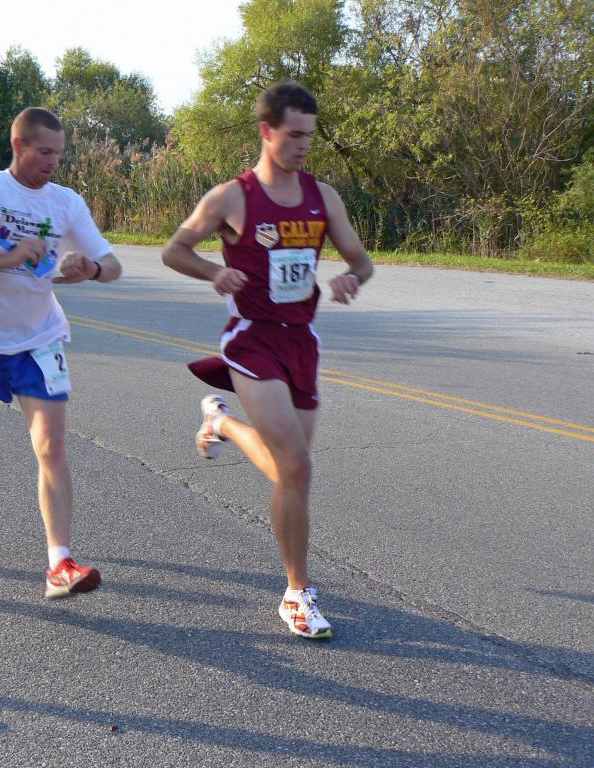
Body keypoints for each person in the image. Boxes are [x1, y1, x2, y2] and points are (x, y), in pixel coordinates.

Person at [161, 81, 373, 639]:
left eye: (310, 135)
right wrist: (214, 271)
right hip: (251, 339)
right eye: (294, 134)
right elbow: (174, 250)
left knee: (289, 473)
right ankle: (297, 594)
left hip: (301, 341)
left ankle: (221, 423)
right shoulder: (232, 197)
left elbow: (361, 259)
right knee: (296, 467)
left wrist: (351, 277)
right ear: (266, 131)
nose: (304, 145)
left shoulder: (323, 197)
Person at [0, 107, 121, 599]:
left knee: (52, 445)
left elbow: (112, 264)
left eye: (59, 153)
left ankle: (59, 563)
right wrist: (9, 256)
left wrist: (91, 270)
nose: (53, 162)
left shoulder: (65, 202)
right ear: (18, 146)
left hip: (40, 337)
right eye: (44, 152)